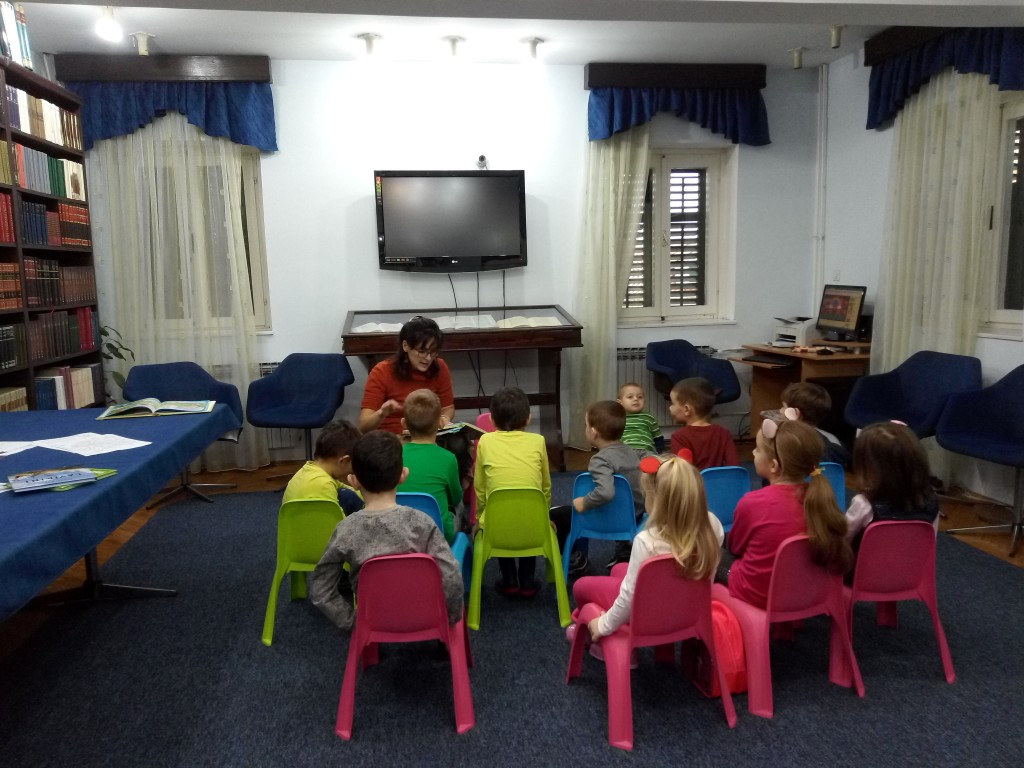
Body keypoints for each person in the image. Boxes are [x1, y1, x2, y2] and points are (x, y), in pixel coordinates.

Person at [309, 430, 463, 631]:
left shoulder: (346, 529)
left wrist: (352, 621)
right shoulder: (422, 523)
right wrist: (450, 616)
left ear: (353, 481)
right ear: (403, 475)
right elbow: (451, 577)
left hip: (372, 621)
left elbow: (320, 588)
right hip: (426, 618)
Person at [567, 455, 724, 647]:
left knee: (581, 586)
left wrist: (603, 625)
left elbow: (629, 598)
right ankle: (663, 652)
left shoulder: (648, 541)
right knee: (619, 569)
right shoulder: (713, 526)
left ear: (658, 501)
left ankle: (592, 637)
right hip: (687, 611)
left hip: (647, 614)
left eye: (646, 494)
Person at [717, 417, 852, 609]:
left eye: (757, 449)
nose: (753, 452)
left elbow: (736, 548)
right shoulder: (823, 499)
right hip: (810, 587)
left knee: (713, 553)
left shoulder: (752, 503)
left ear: (773, 465)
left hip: (759, 593)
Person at [359, 315, 472, 483]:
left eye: (433, 352)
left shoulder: (440, 367)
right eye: (422, 351)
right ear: (405, 346)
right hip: (395, 436)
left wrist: (444, 418)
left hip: (429, 433)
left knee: (459, 443)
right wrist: (382, 413)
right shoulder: (382, 371)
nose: (428, 358)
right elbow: (364, 425)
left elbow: (448, 407)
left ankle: (451, 494)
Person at [550, 400, 645, 576]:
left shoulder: (600, 460)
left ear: (593, 432)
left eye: (586, 425)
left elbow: (606, 492)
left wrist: (584, 502)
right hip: (635, 517)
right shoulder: (631, 452)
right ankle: (625, 550)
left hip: (608, 518)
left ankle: (576, 561)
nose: (585, 428)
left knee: (556, 514)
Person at [474, 386, 551, 598]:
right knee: (526, 512)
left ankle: (509, 581)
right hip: (534, 522)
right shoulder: (538, 441)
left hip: (496, 524)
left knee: (500, 512)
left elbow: (480, 487)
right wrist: (545, 515)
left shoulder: (485, 441)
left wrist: (479, 516)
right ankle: (527, 581)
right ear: (528, 418)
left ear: (492, 420)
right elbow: (545, 485)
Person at [845, 420, 940, 548]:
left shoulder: (864, 504)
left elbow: (843, 539)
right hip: (912, 561)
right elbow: (930, 542)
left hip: (867, 561)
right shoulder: (932, 502)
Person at [397, 388, 463, 543]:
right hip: (439, 535)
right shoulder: (448, 458)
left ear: (404, 423)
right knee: (459, 505)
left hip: (400, 532)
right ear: (441, 423)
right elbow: (455, 498)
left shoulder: (394, 455)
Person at [282, 419, 364, 516]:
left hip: (300, 522)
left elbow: (347, 488)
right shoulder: (323, 485)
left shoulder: (310, 470)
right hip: (315, 524)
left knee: (348, 494)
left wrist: (363, 491)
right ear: (343, 460)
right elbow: (341, 523)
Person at [668, 377, 739, 470]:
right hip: (719, 480)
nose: (670, 407)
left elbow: (681, 471)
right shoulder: (724, 433)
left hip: (693, 480)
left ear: (686, 409)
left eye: (672, 403)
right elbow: (735, 467)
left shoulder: (679, 437)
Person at [781, 381, 850, 467]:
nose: (780, 411)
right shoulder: (833, 441)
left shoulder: (790, 442)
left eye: (784, 407)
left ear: (795, 413)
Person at [617, 382, 664, 456]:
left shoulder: (648, 417)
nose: (636, 399)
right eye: (630, 397)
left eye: (640, 397)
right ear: (620, 403)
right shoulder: (617, 418)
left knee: (653, 461)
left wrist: (659, 453)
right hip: (624, 452)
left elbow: (658, 438)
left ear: (644, 401)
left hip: (646, 451)